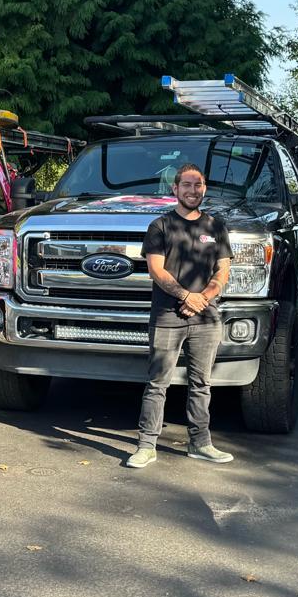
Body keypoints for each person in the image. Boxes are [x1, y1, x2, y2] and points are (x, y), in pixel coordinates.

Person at [127, 162, 236, 469]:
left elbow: (223, 271)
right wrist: (187, 296)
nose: (192, 190)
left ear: (205, 189)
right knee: (157, 383)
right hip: (167, 317)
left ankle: (200, 443)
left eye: (197, 185)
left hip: (206, 318)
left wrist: (203, 299)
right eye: (186, 185)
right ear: (175, 189)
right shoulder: (160, 226)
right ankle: (146, 446)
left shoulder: (216, 227)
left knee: (201, 384)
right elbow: (156, 270)